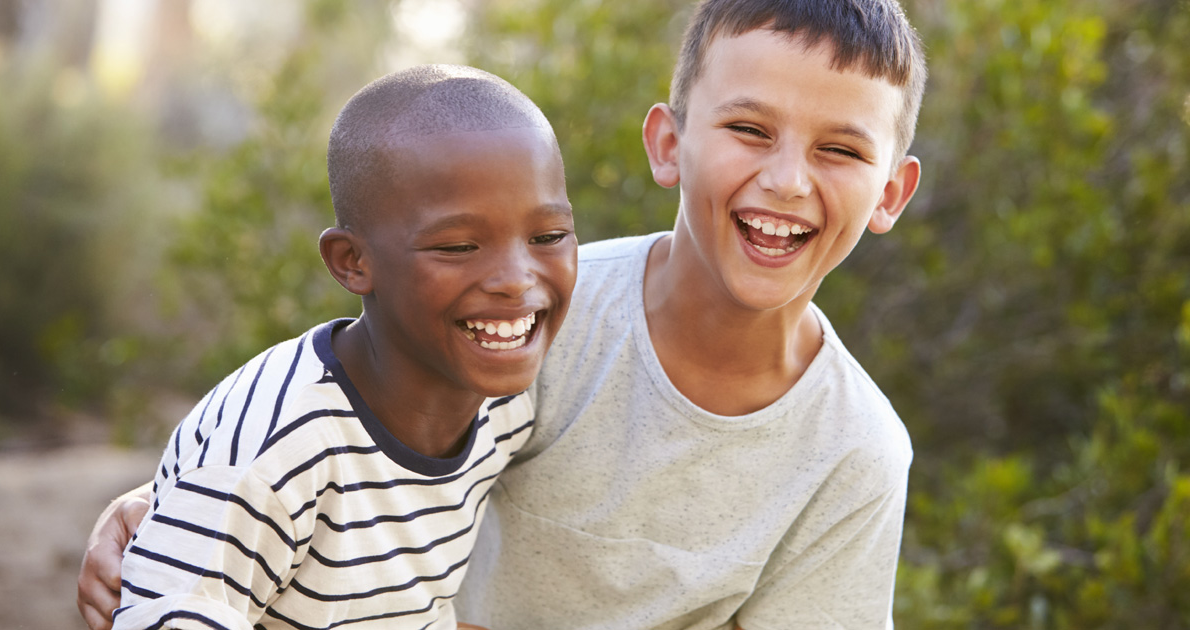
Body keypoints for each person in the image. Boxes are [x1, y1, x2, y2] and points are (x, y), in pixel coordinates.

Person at [80, 0, 927, 627]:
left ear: (890, 191)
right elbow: (333, 431)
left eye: (840, 149)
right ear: (669, 144)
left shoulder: (853, 450)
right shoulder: (537, 312)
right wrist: (172, 508)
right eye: (749, 128)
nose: (786, 180)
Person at [81, 64, 578, 630]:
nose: (516, 279)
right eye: (459, 245)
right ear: (352, 262)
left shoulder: (507, 397)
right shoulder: (274, 457)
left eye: (548, 236)